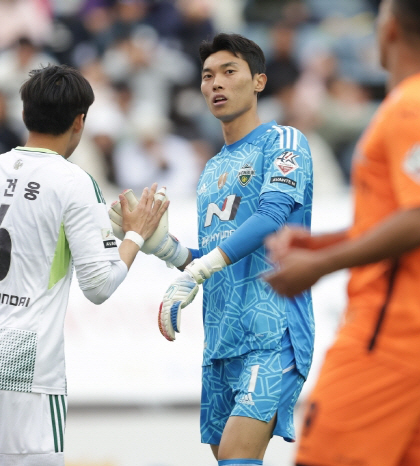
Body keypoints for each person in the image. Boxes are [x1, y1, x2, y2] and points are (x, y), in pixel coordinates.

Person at [264, 0, 420, 465]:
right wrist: (319, 243)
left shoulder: (412, 110)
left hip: (391, 335)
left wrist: (319, 266)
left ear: (389, 29)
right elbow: (407, 218)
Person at [0, 64, 167, 466]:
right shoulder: (73, 182)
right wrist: (135, 234)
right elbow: (99, 286)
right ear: (79, 121)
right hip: (23, 373)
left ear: (25, 114)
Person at [154, 33, 314, 466]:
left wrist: (196, 272)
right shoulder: (211, 169)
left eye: (229, 72)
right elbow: (213, 256)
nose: (216, 84)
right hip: (221, 342)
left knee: (239, 461)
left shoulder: (284, 142)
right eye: (208, 76)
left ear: (259, 81)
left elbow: (272, 217)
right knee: (230, 462)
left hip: (273, 333)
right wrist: (163, 248)